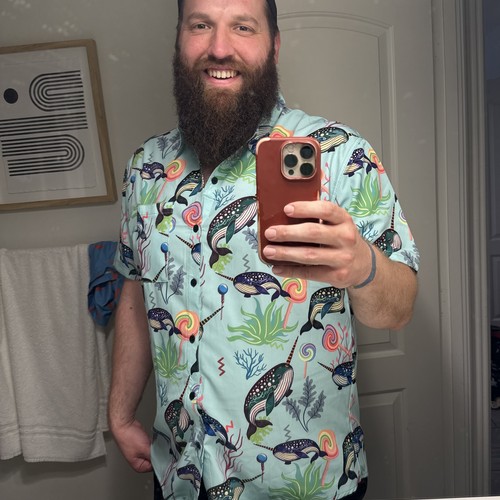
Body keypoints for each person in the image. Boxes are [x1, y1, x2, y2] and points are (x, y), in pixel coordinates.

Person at [109, 0, 419, 499]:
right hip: (181, 476)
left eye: (243, 27)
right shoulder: (145, 167)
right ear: (179, 40)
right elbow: (134, 288)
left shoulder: (340, 153)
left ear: (273, 47)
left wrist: (362, 266)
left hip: (305, 486)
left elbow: (399, 308)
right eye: (201, 25)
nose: (219, 47)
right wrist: (122, 412)